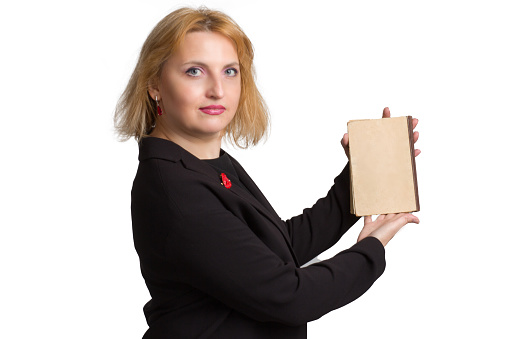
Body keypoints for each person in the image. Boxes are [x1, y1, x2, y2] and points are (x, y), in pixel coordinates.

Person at [114, 7, 421, 339]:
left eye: (230, 71)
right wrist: (370, 249)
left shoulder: (207, 164)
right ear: (154, 85)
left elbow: (279, 248)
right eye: (194, 71)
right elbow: (290, 295)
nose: (218, 89)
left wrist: (362, 177)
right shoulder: (174, 190)